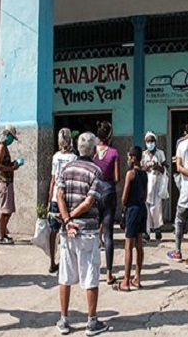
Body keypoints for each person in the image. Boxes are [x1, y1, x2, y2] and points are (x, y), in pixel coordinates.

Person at [56, 132, 109, 336]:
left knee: (65, 276)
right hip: (87, 230)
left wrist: (67, 220)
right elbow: (89, 202)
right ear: (94, 150)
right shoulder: (96, 171)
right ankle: (91, 322)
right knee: (90, 276)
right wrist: (73, 217)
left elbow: (59, 195)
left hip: (67, 231)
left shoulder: (67, 168)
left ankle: (63, 319)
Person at [167, 115, 188, 267]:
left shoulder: (182, 144)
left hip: (185, 189)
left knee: (179, 220)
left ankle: (177, 250)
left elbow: (179, 167)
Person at [113, 146, 148, 292]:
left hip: (132, 209)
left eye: (129, 157)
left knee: (128, 246)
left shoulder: (130, 174)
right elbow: (146, 194)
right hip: (142, 208)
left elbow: (124, 197)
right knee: (139, 245)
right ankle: (137, 278)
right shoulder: (145, 174)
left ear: (133, 158)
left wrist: (124, 205)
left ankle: (126, 280)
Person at [92, 121, 119, 284]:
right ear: (110, 135)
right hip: (109, 192)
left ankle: (94, 270)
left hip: (95, 192)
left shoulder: (93, 152)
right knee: (108, 234)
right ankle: (109, 273)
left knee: (93, 233)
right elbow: (117, 178)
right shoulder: (114, 153)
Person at [47, 128, 77, 273]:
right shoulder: (74, 158)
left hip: (54, 197)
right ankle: (68, 262)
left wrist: (48, 200)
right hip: (68, 199)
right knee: (68, 230)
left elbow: (53, 180)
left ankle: (52, 261)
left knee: (53, 231)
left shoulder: (55, 156)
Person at [0, 125, 20, 245]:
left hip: (8, 181)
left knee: (8, 210)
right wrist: (11, 168)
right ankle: (1, 236)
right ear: (7, 135)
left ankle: (4, 233)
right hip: (4, 182)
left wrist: (14, 164)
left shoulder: (5, 147)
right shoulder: (1, 147)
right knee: (4, 210)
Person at [142, 132, 166, 241]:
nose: (150, 143)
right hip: (147, 184)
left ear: (155, 142)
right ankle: (146, 232)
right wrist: (146, 168)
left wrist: (158, 167)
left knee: (155, 208)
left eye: (152, 141)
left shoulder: (160, 153)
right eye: (148, 141)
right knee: (146, 209)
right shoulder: (144, 154)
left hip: (157, 183)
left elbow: (165, 168)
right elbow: (140, 168)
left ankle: (157, 229)